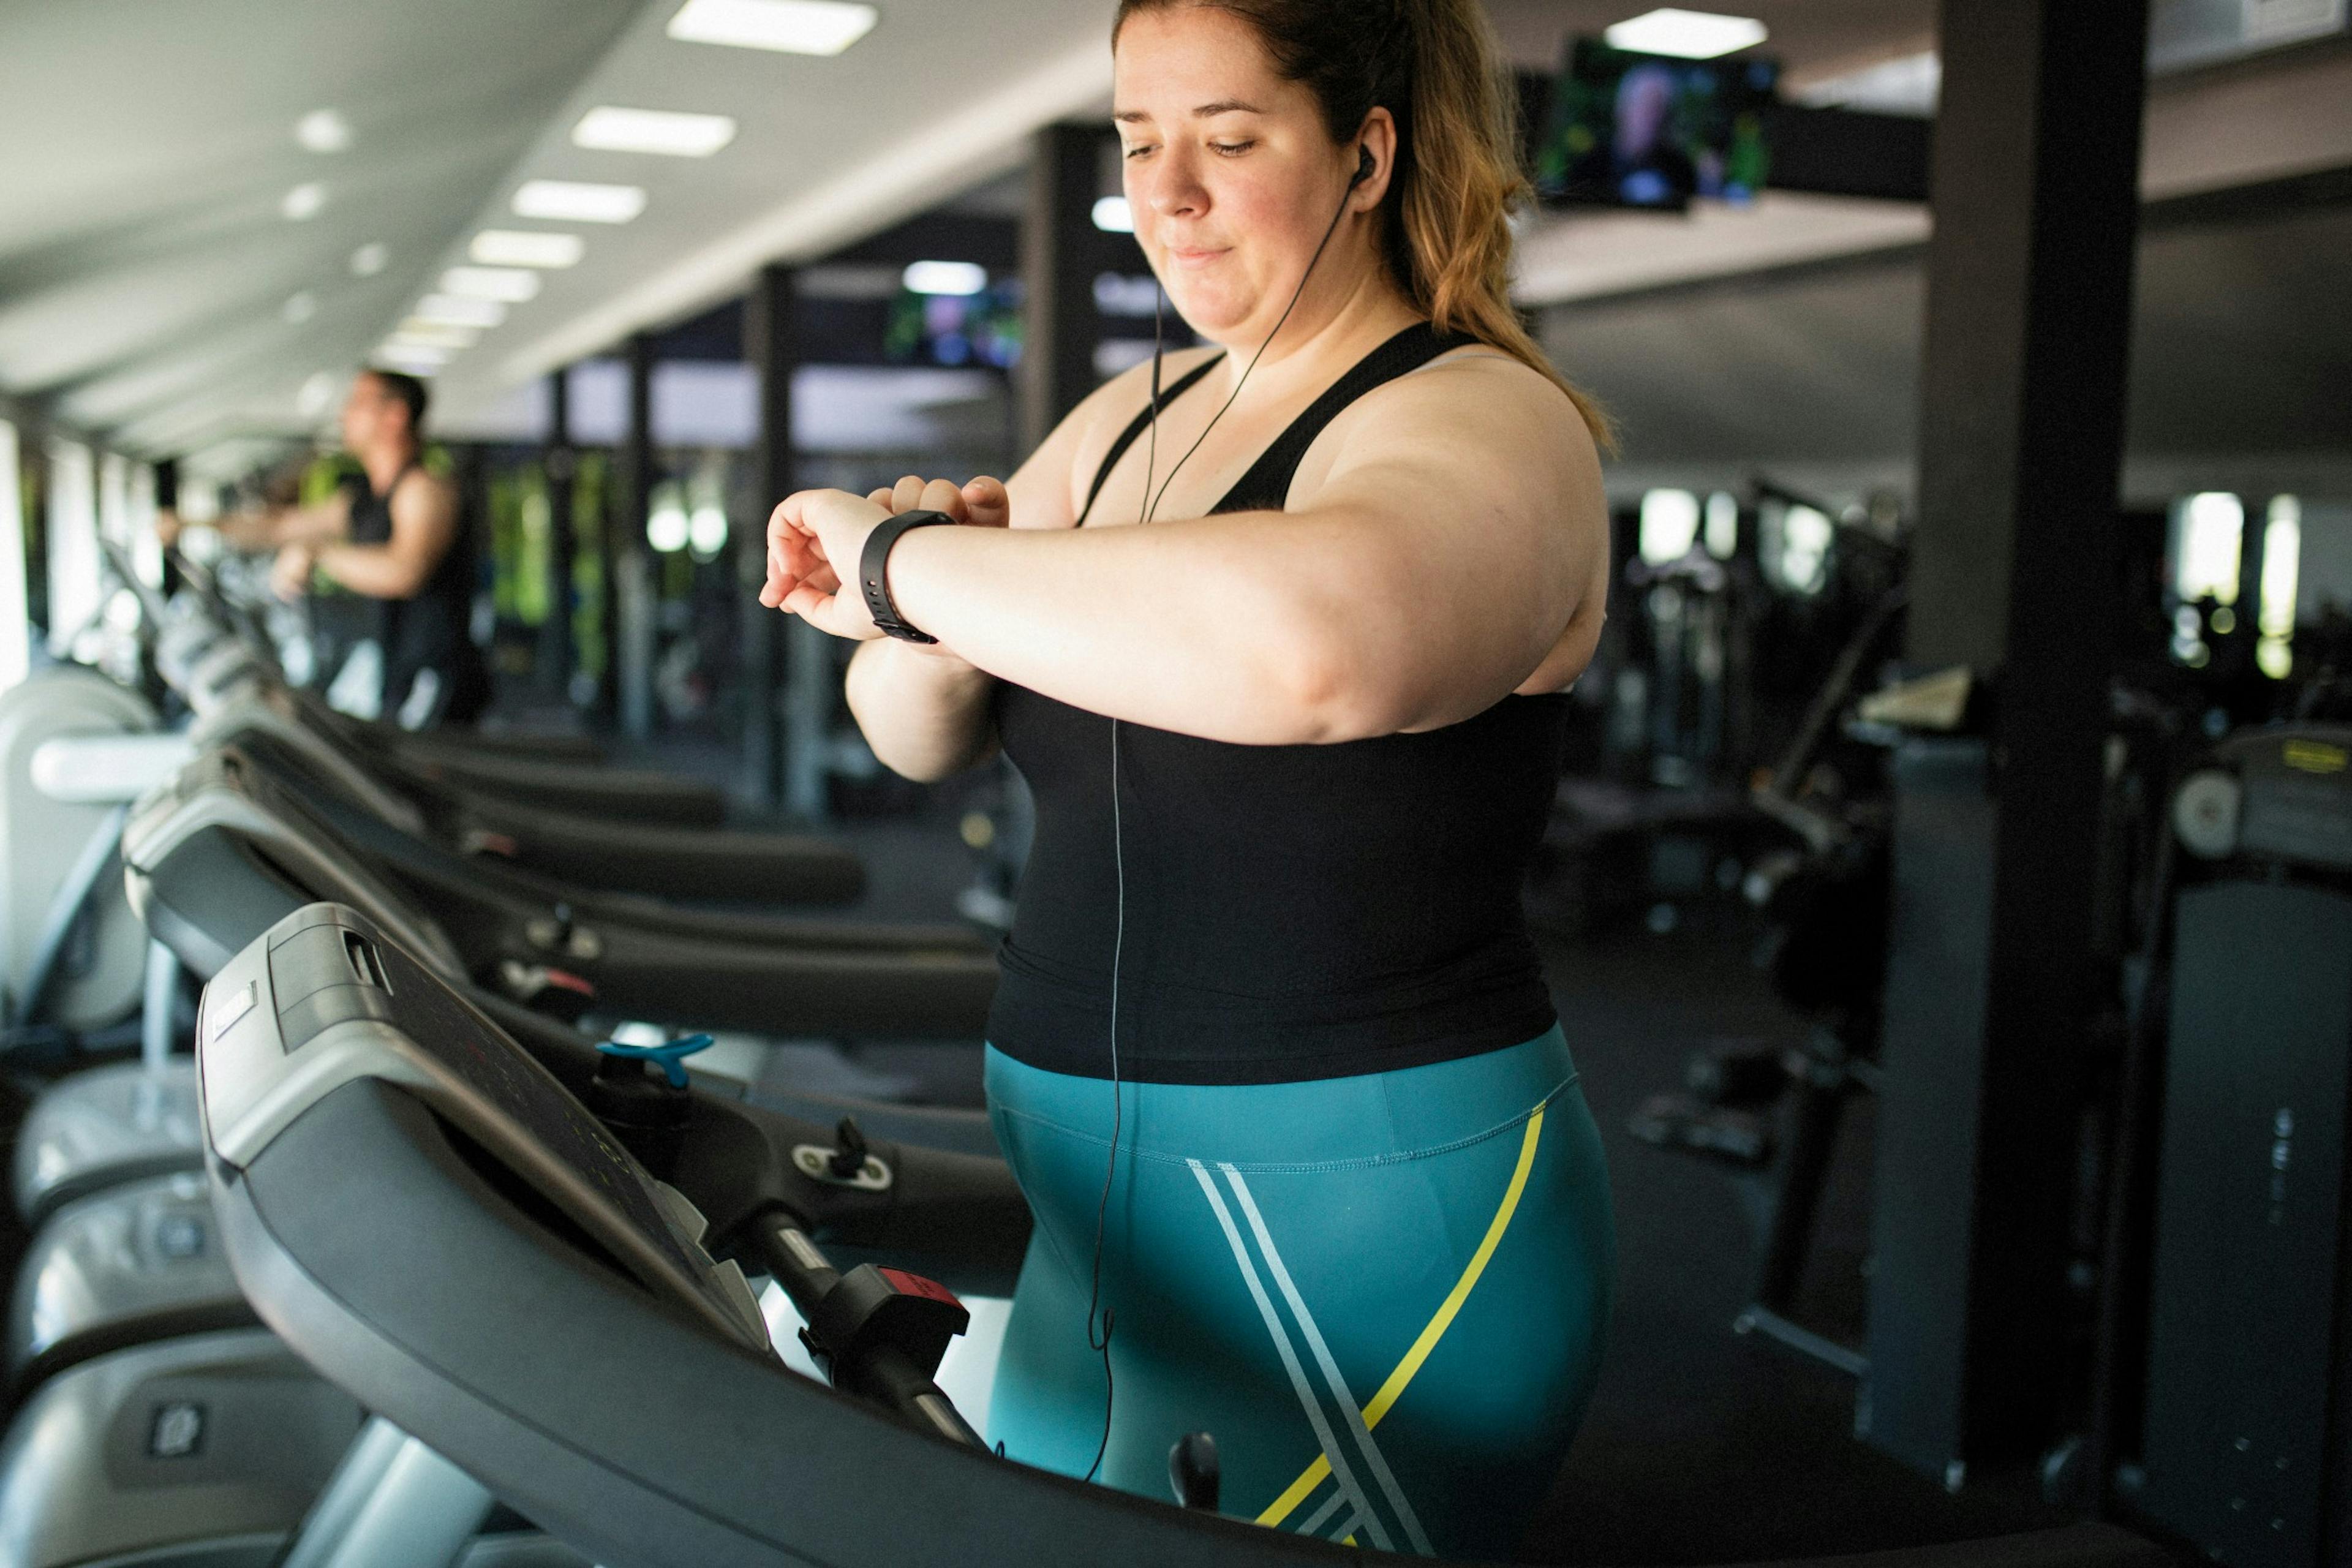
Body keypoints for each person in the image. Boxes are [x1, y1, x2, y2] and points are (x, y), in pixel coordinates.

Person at [760, 0, 1615, 1555]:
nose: (1169, 195)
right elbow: (908, 726)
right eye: (1139, 145)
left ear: (1364, 155)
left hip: (1364, 1231)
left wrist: (904, 559)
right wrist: (931, 603)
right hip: (1096, 1221)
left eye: (1227, 141)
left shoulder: (1487, 415)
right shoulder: (1125, 422)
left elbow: (1315, 653)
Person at [163, 368, 487, 727]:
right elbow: (280, 526)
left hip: (432, 678)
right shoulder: (364, 500)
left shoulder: (423, 489)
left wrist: (318, 553)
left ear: (395, 415)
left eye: (358, 404)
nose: (344, 415)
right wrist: (191, 523)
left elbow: (405, 571)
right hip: (394, 675)